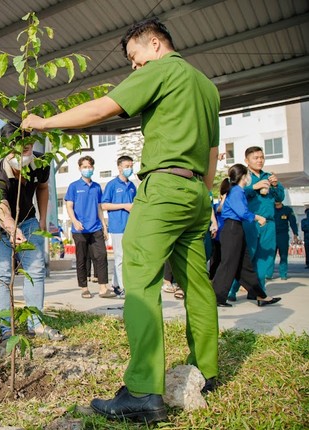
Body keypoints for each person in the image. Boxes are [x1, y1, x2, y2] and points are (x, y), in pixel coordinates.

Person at [22, 17, 219, 423]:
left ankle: (144, 390)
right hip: (197, 192)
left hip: (164, 187)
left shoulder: (163, 70)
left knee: (139, 279)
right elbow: (213, 152)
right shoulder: (207, 86)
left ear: (154, 43)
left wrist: (43, 123)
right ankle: (207, 370)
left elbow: (102, 108)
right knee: (197, 283)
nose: (134, 66)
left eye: (134, 57)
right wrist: (201, 190)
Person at [0, 122, 63, 341]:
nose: (24, 146)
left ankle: (35, 324)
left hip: (29, 220)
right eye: (17, 143)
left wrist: (43, 220)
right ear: (7, 147)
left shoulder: (41, 162)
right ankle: (6, 327)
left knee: (36, 269)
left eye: (27, 140)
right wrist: (11, 228)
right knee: (2, 276)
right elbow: (1, 210)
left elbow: (43, 187)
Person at [212, 164, 281, 308]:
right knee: (229, 264)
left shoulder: (237, 190)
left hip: (235, 229)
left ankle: (261, 295)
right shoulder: (237, 191)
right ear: (244, 176)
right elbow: (242, 212)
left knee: (245, 266)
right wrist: (258, 217)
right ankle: (217, 297)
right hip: (232, 229)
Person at [228, 146, 285, 297]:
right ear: (246, 160)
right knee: (246, 256)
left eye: (262, 157)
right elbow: (232, 194)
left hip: (269, 223)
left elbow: (280, 198)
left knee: (264, 258)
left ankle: (258, 291)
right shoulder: (243, 177)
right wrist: (254, 187)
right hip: (250, 222)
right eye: (255, 158)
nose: (260, 160)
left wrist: (275, 185)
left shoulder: (269, 176)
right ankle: (231, 290)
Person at [65, 155, 113, 299]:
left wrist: (104, 226)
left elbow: (99, 207)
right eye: (84, 167)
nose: (87, 169)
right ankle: (84, 288)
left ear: (93, 168)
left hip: (96, 227)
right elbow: (69, 205)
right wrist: (74, 221)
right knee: (82, 258)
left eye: (89, 167)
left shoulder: (97, 187)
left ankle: (103, 288)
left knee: (102, 256)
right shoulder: (74, 186)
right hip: (79, 229)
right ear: (80, 168)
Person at [101, 155, 136, 297]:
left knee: (125, 257)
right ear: (119, 167)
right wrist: (124, 206)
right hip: (117, 226)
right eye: (127, 166)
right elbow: (104, 205)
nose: (129, 168)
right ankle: (124, 288)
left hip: (130, 226)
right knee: (120, 257)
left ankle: (115, 284)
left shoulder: (132, 186)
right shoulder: (112, 185)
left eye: (131, 166)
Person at [270, 201, 298, 280]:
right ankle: (269, 274)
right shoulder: (270, 209)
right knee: (271, 255)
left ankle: (283, 274)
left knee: (283, 255)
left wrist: (295, 233)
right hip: (271, 235)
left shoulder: (287, 210)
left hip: (283, 235)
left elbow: (293, 222)